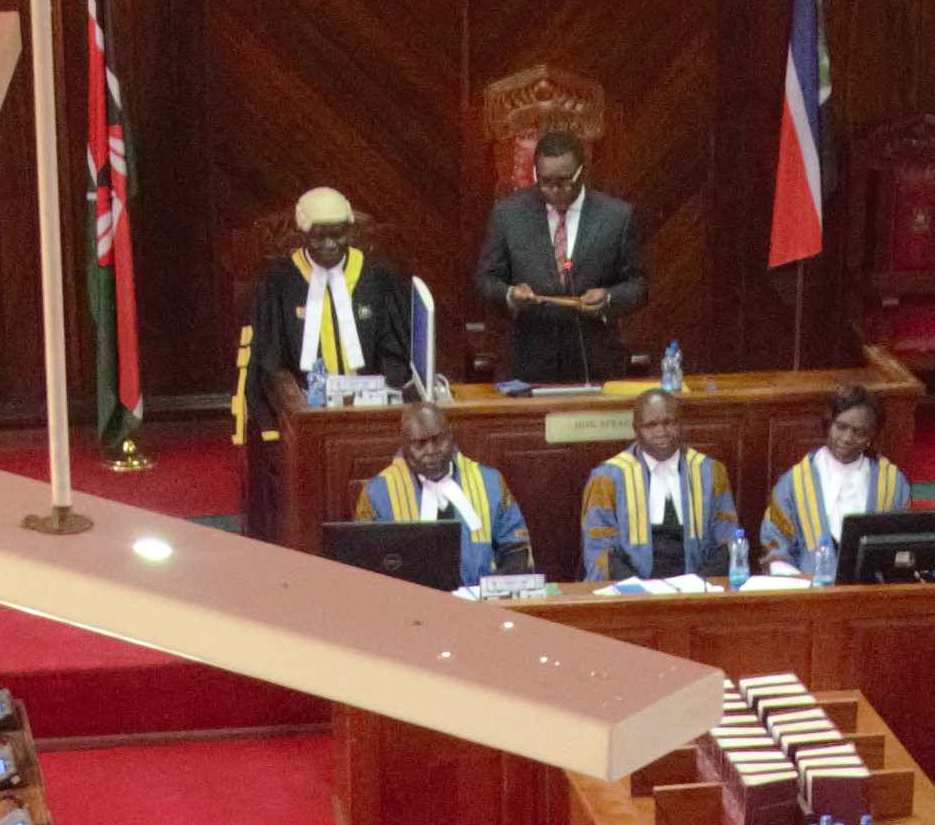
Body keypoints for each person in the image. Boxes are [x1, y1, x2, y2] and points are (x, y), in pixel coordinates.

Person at [234, 187, 420, 532]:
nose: (330, 245)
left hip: (368, 413)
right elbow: (270, 361)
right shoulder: (278, 282)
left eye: (339, 234)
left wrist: (384, 401)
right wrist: (294, 407)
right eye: (320, 236)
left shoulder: (378, 276)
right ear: (304, 233)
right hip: (305, 416)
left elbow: (394, 351)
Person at [474, 127, 643, 389]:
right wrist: (510, 294)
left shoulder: (616, 217)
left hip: (594, 363)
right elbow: (486, 279)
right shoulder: (508, 215)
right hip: (526, 364)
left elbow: (639, 284)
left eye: (564, 181)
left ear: (582, 172)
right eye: (545, 181)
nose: (554, 190)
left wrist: (609, 298)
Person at [351, 399, 534, 580]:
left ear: (451, 436)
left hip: (479, 594)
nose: (431, 451)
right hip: (410, 596)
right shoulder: (378, 494)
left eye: (438, 440)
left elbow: (516, 548)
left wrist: (492, 588)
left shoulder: (491, 482)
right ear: (404, 446)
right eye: (419, 444)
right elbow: (366, 565)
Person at [576, 391, 741, 582]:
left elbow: (729, 542)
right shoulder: (607, 479)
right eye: (651, 425)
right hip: (631, 591)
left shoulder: (710, 472)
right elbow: (600, 551)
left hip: (697, 588)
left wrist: (696, 585)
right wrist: (640, 590)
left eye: (669, 423)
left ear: (681, 424)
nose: (661, 432)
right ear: (636, 429)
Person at [758, 386, 914, 576]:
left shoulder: (891, 485)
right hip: (807, 589)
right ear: (828, 424)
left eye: (859, 432)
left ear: (870, 437)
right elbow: (774, 550)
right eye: (841, 427)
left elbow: (906, 545)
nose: (847, 438)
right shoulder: (793, 484)